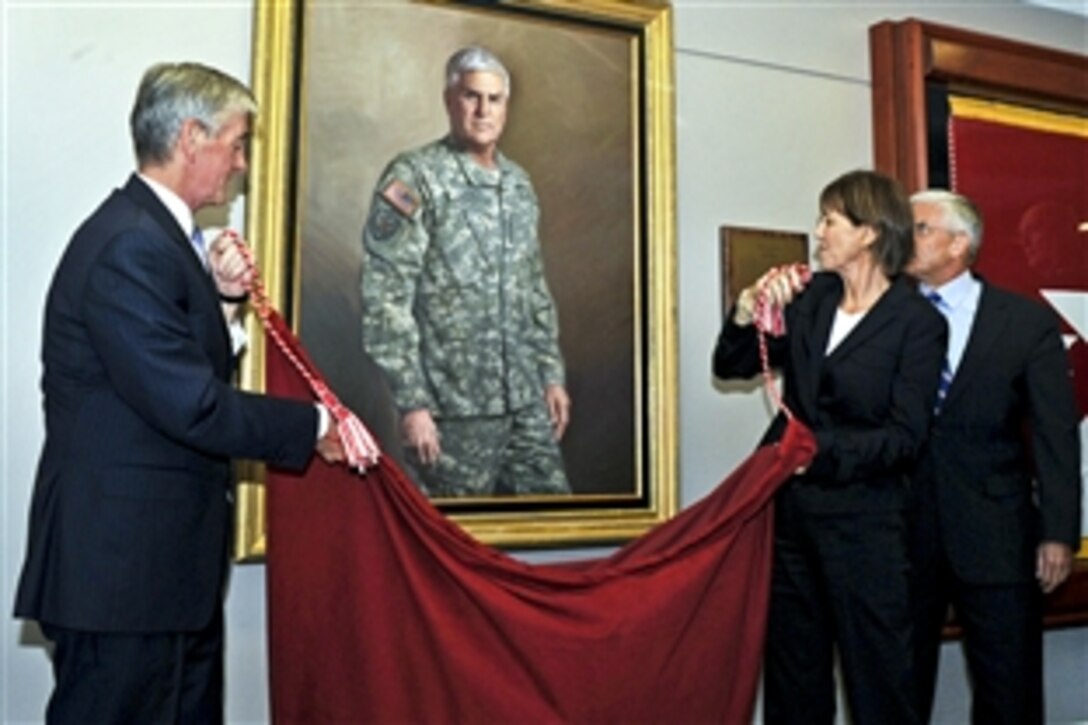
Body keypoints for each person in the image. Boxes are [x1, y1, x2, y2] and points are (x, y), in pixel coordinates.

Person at [13, 62, 344, 724]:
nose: (243, 164)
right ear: (192, 136)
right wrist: (314, 425)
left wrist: (222, 301)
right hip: (123, 579)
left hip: (160, 578)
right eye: (237, 143)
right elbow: (191, 403)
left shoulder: (155, 239)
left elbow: (169, 377)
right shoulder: (129, 245)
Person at [713, 170, 947, 725]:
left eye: (830, 221)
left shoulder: (917, 323)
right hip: (791, 523)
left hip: (866, 528)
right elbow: (732, 366)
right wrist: (747, 311)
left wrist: (817, 449)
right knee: (794, 681)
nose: (818, 232)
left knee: (879, 683)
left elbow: (904, 437)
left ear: (868, 233)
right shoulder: (811, 298)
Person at [360, 45, 570, 497]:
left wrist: (550, 374)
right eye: (472, 96)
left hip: (524, 403)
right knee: (453, 550)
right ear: (449, 100)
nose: (482, 110)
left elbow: (534, 288)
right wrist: (412, 403)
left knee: (554, 533)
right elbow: (386, 295)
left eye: (494, 100)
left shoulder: (518, 184)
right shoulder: (414, 177)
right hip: (451, 413)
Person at [907, 190, 1081, 725]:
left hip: (997, 535)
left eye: (917, 228)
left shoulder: (1023, 324)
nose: (903, 237)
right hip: (900, 534)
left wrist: (1058, 532)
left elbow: (1056, 436)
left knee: (1009, 689)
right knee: (895, 686)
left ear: (959, 244)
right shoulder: (887, 315)